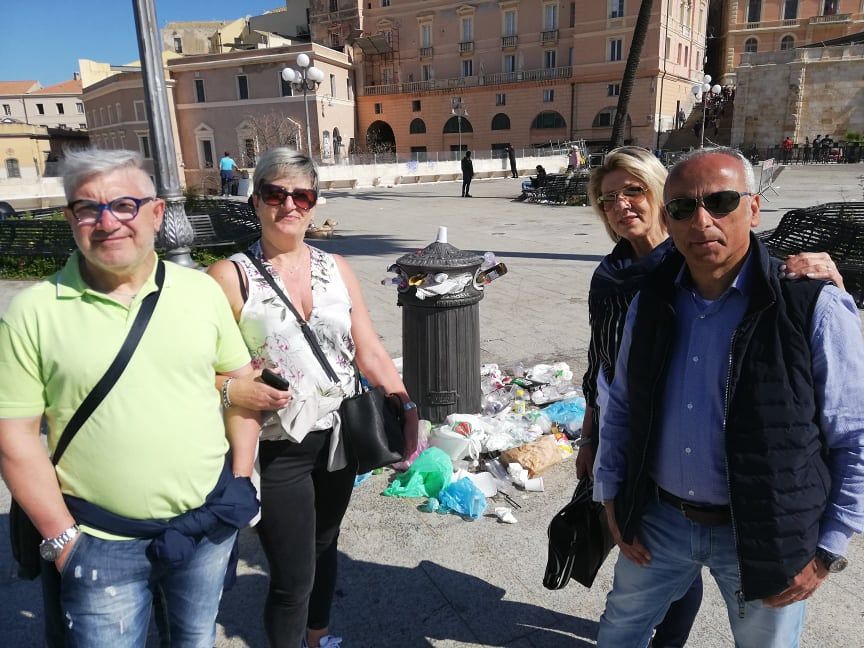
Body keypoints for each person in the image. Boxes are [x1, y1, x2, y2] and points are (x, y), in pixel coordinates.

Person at [593, 147, 864, 646]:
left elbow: (854, 436)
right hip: (660, 523)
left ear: (754, 208)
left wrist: (829, 548)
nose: (702, 221)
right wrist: (610, 494)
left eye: (720, 202)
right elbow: (624, 406)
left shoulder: (812, 304)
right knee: (619, 632)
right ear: (668, 218)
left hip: (764, 533)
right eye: (682, 208)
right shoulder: (650, 303)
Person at [0, 148, 260, 647]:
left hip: (205, 529)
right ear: (69, 219)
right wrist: (62, 541)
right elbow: (15, 439)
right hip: (97, 543)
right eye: (87, 208)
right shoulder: (31, 312)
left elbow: (241, 389)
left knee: (195, 639)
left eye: (125, 205)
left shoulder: (201, 292)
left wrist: (241, 481)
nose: (107, 221)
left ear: (157, 213)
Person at [207, 147, 419, 648]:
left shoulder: (336, 267)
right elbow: (194, 370)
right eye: (275, 194)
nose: (289, 205)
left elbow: (367, 346)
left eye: (301, 195)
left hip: (341, 434)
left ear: (314, 202)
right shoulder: (227, 277)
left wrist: (405, 405)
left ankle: (317, 637)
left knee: (326, 547)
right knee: (292, 574)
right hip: (278, 444)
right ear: (255, 201)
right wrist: (237, 387)